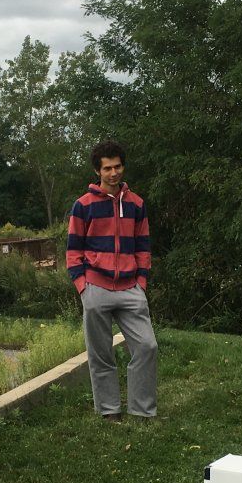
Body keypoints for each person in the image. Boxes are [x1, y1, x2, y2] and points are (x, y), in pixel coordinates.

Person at [65, 141, 158, 422]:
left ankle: (141, 410)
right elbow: (73, 250)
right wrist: (83, 287)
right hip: (96, 287)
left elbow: (143, 247)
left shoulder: (136, 204)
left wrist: (141, 281)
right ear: (98, 170)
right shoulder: (83, 206)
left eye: (117, 166)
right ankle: (109, 411)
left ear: (123, 166)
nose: (113, 172)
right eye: (107, 168)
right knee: (100, 353)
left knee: (147, 346)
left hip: (130, 288)